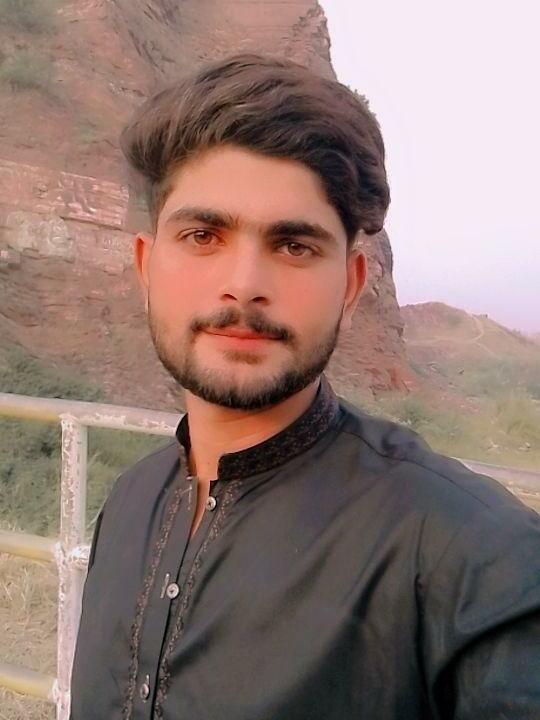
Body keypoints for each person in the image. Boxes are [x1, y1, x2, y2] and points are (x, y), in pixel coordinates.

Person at [69, 54, 540, 719]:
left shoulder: (474, 557)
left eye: (294, 246)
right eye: (202, 235)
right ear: (146, 266)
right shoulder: (129, 503)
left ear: (350, 284)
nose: (243, 284)